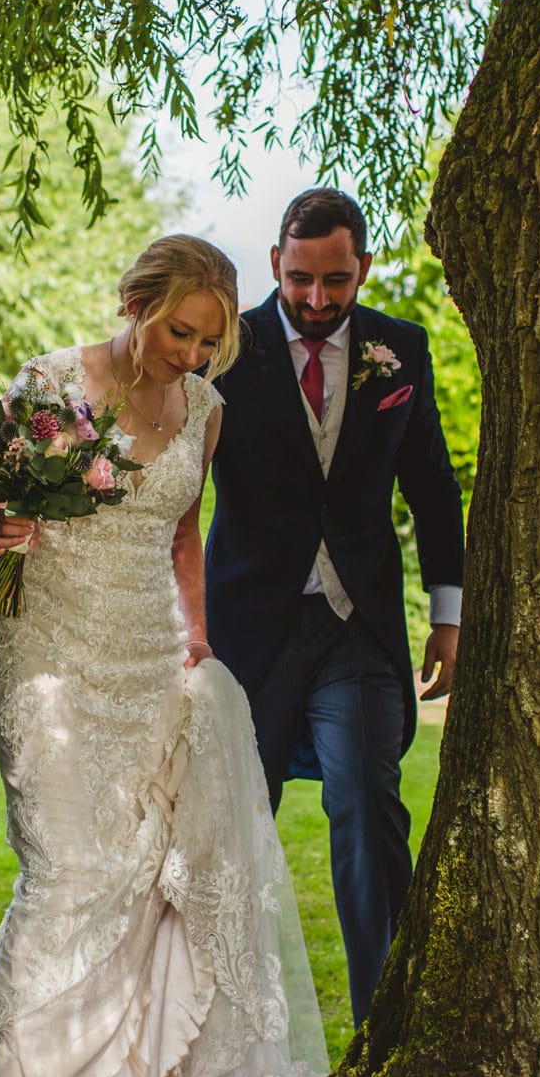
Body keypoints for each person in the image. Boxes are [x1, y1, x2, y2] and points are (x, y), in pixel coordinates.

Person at [0, 234, 328, 1077]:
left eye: (208, 342)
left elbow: (183, 527)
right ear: (136, 302)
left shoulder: (204, 410)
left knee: (132, 879)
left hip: (148, 656)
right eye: (179, 332)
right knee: (66, 867)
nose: (191, 356)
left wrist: (195, 633)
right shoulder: (50, 385)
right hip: (46, 649)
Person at [204, 188, 467, 1033]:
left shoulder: (403, 350)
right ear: (277, 263)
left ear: (363, 268)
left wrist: (449, 615)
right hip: (248, 627)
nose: (317, 300)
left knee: (366, 803)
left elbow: (433, 488)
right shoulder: (226, 350)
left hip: (358, 625)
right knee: (237, 820)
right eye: (301, 278)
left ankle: (383, 1033)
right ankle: (216, 1034)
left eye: (337, 281)